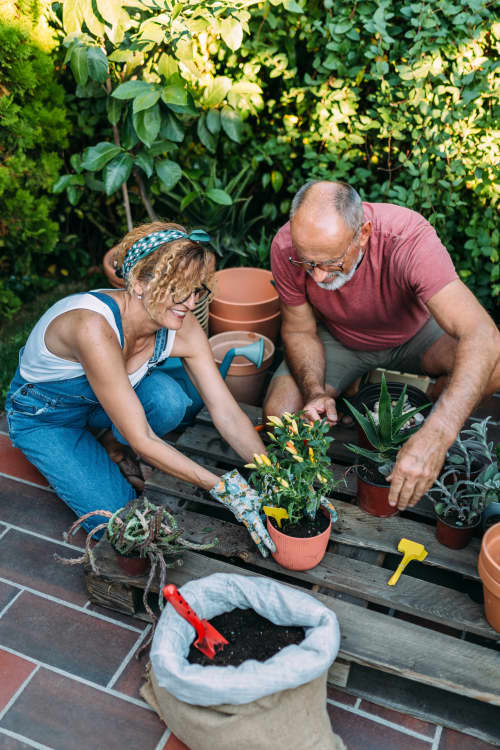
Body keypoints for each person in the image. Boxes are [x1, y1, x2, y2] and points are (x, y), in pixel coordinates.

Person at [5, 221, 276, 556]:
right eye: (176, 289)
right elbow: (144, 440)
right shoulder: (93, 327)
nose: (190, 303)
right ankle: (87, 447)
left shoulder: (183, 327)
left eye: (196, 290)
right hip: (46, 416)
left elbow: (226, 412)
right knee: (120, 521)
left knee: (169, 400)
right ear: (137, 282)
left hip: (100, 402)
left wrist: (272, 473)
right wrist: (224, 488)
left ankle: (111, 448)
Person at [264, 181, 500, 512]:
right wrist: (315, 391)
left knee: (496, 364)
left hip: (416, 336)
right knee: (281, 416)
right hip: (340, 338)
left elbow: (483, 333)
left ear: (363, 234)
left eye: (330, 262)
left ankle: (427, 405)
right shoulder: (287, 245)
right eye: (307, 263)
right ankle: (346, 391)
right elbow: (300, 330)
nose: (317, 277)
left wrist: (438, 434)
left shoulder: (407, 237)